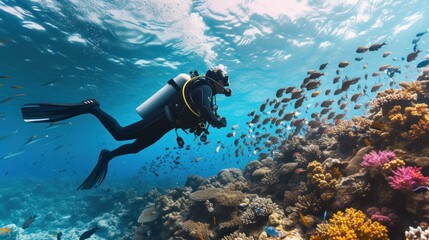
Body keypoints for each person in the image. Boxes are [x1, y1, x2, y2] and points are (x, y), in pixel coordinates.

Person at [21, 65, 231, 189]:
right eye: (225, 80)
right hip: (163, 119)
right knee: (120, 134)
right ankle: (93, 108)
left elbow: (201, 111)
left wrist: (211, 118)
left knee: (135, 147)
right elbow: (204, 110)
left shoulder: (205, 89)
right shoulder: (205, 86)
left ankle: (107, 156)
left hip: (166, 125)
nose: (227, 85)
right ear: (217, 79)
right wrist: (217, 121)